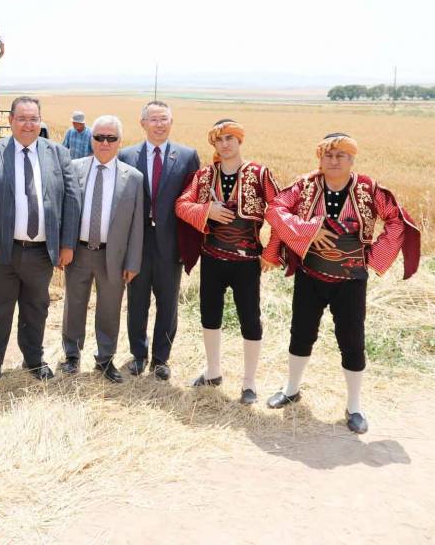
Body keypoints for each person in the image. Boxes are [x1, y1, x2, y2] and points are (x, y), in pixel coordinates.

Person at [264, 133, 420, 434]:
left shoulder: (368, 188)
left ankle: (354, 406)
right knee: (301, 333)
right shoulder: (306, 185)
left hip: (350, 281)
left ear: (351, 160)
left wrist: (375, 257)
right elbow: (275, 209)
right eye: (328, 156)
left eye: (341, 156)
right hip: (310, 276)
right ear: (320, 159)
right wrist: (306, 229)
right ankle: (291, 389)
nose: (334, 161)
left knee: (351, 341)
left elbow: (396, 219)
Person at [0, 96, 81, 380]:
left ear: (40, 120)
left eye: (33, 119)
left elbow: (71, 201)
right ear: (11, 121)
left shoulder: (58, 154)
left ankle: (33, 360)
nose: (28, 124)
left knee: (36, 310)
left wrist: (67, 244)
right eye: (22, 118)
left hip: (41, 252)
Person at [174, 119, 282, 404]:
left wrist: (272, 251)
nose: (225, 143)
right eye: (219, 139)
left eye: (230, 138)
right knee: (209, 315)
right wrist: (206, 210)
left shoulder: (259, 174)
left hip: (247, 262)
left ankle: (249, 383)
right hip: (212, 258)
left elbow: (282, 210)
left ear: (240, 140)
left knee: (250, 319)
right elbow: (181, 205)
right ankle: (212, 371)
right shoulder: (205, 175)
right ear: (214, 144)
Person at [118, 100, 200, 380]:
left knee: (168, 303)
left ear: (171, 122)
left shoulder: (188, 156)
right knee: (137, 302)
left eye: (164, 119)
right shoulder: (126, 156)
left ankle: (161, 360)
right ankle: (138, 356)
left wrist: (189, 246)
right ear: (142, 124)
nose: (159, 124)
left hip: (171, 245)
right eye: (153, 119)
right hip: (137, 245)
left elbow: (195, 200)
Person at [60, 115, 145, 382]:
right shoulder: (73, 168)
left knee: (110, 308)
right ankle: (71, 356)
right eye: (99, 137)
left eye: (111, 138)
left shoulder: (133, 178)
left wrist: (133, 262)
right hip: (79, 251)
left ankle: (105, 359)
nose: (104, 143)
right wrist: (63, 247)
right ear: (91, 139)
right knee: (74, 304)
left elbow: (137, 224)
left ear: (119, 141)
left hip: (114, 256)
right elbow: (63, 212)